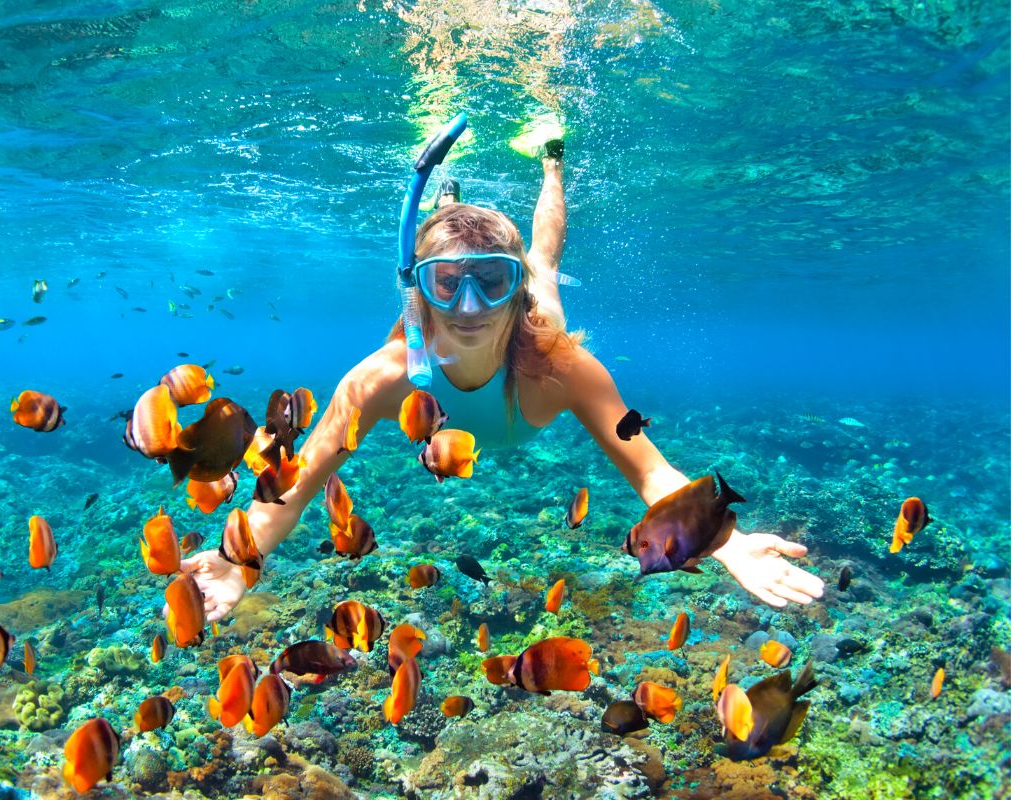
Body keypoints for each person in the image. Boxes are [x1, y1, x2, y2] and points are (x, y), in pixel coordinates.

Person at [180, 134, 825, 621]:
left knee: (543, 257)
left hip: (535, 329)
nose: (468, 309)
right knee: (453, 240)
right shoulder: (382, 378)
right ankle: (448, 204)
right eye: (446, 284)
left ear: (515, 295)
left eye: (493, 282)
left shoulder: (562, 366)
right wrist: (242, 557)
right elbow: (296, 483)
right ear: (420, 293)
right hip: (419, 337)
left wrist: (723, 539)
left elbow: (652, 472)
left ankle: (551, 159)